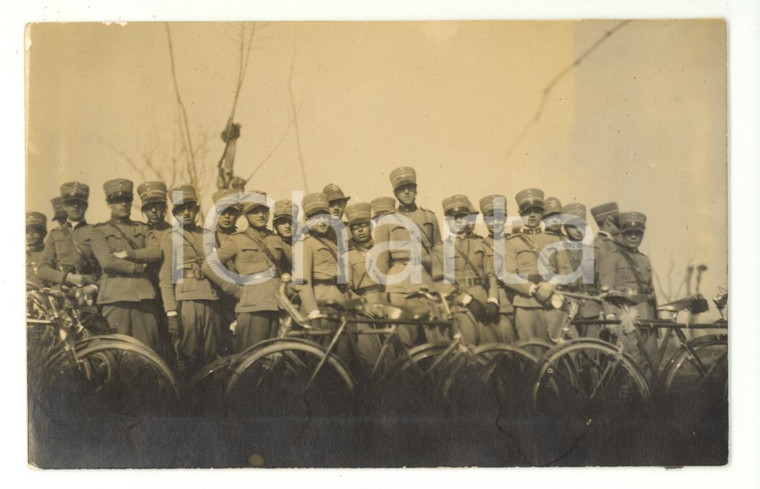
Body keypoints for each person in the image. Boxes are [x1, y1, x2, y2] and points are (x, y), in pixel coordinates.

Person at [203, 191, 285, 352]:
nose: (261, 215)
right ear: (246, 215)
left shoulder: (276, 239)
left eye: (264, 210)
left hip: (276, 307)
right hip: (252, 308)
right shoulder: (237, 239)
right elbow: (208, 266)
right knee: (251, 360)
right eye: (255, 211)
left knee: (274, 360)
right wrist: (234, 290)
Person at [89, 179, 162, 349]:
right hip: (115, 298)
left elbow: (155, 252)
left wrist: (129, 255)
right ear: (108, 203)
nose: (123, 204)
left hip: (143, 297)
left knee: (147, 351)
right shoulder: (99, 231)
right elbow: (107, 261)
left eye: (127, 200)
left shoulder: (143, 229)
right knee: (116, 350)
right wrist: (138, 267)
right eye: (117, 200)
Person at [374, 166, 441, 347]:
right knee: (406, 342)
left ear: (416, 189)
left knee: (437, 339)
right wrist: (387, 290)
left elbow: (437, 252)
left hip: (426, 283)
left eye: (410, 187)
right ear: (395, 193)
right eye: (401, 189)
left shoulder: (430, 217)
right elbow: (381, 262)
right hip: (400, 285)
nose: (406, 192)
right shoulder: (386, 220)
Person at [159, 185, 222, 374]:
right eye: (180, 209)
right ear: (174, 212)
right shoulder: (170, 237)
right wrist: (171, 312)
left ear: (196, 209)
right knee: (188, 353)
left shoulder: (208, 235)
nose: (186, 213)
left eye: (190, 208)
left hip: (211, 299)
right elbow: (165, 278)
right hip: (186, 300)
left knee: (213, 353)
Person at [432, 195, 500, 345]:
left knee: (492, 351)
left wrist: (493, 300)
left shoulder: (480, 244)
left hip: (483, 303)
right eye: (453, 217)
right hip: (459, 307)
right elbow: (440, 283)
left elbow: (491, 275)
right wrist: (466, 300)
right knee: (466, 353)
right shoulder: (440, 249)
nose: (457, 220)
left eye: (462, 216)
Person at [296, 193, 356, 362]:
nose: (322, 222)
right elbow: (302, 283)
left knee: (343, 360)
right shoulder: (304, 244)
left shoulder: (330, 243)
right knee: (323, 361)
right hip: (321, 307)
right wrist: (313, 313)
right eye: (316, 218)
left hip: (339, 306)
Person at [599, 211, 658, 376]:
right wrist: (610, 317)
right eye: (629, 233)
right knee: (627, 362)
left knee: (649, 361)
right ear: (622, 234)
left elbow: (650, 291)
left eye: (638, 234)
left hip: (646, 315)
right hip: (625, 314)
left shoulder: (644, 260)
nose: (634, 237)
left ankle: (646, 399)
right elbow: (606, 290)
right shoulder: (612, 257)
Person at [503, 188, 564, 342]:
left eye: (536, 211)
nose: (531, 215)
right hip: (526, 304)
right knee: (532, 352)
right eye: (527, 212)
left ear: (542, 213)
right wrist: (531, 288)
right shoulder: (511, 242)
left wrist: (550, 284)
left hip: (554, 301)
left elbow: (566, 269)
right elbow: (508, 274)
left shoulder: (554, 239)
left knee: (560, 351)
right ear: (520, 214)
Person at [37, 182, 100, 288]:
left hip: (90, 291)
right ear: (64, 207)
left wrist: (94, 286)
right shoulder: (54, 234)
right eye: (71, 203)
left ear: (86, 206)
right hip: (61, 292)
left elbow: (106, 267)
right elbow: (42, 269)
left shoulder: (97, 231)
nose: (76, 206)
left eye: (79, 202)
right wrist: (68, 278)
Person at [344, 201, 384, 368]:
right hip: (364, 307)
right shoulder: (348, 256)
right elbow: (345, 288)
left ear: (370, 226)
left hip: (386, 303)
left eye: (363, 226)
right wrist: (362, 306)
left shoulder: (383, 249)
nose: (360, 230)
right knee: (370, 355)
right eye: (355, 227)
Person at [556, 203, 602, 337]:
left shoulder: (594, 252)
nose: (578, 230)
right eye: (573, 226)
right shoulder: (558, 251)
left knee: (591, 351)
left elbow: (601, 282)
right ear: (565, 227)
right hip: (565, 309)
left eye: (582, 226)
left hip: (590, 310)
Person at [479, 194, 518, 343]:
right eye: (490, 218)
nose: (495, 222)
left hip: (521, 302)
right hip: (500, 305)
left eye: (499, 217)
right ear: (484, 220)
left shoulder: (516, 242)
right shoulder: (481, 245)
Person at [272, 199, 298, 273]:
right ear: (275, 225)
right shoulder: (270, 243)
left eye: (291, 222)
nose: (287, 226)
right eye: (282, 222)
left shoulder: (303, 244)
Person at [26, 212, 48, 290]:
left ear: (43, 233)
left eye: (35, 231)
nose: (31, 234)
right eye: (28, 231)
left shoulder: (50, 254)